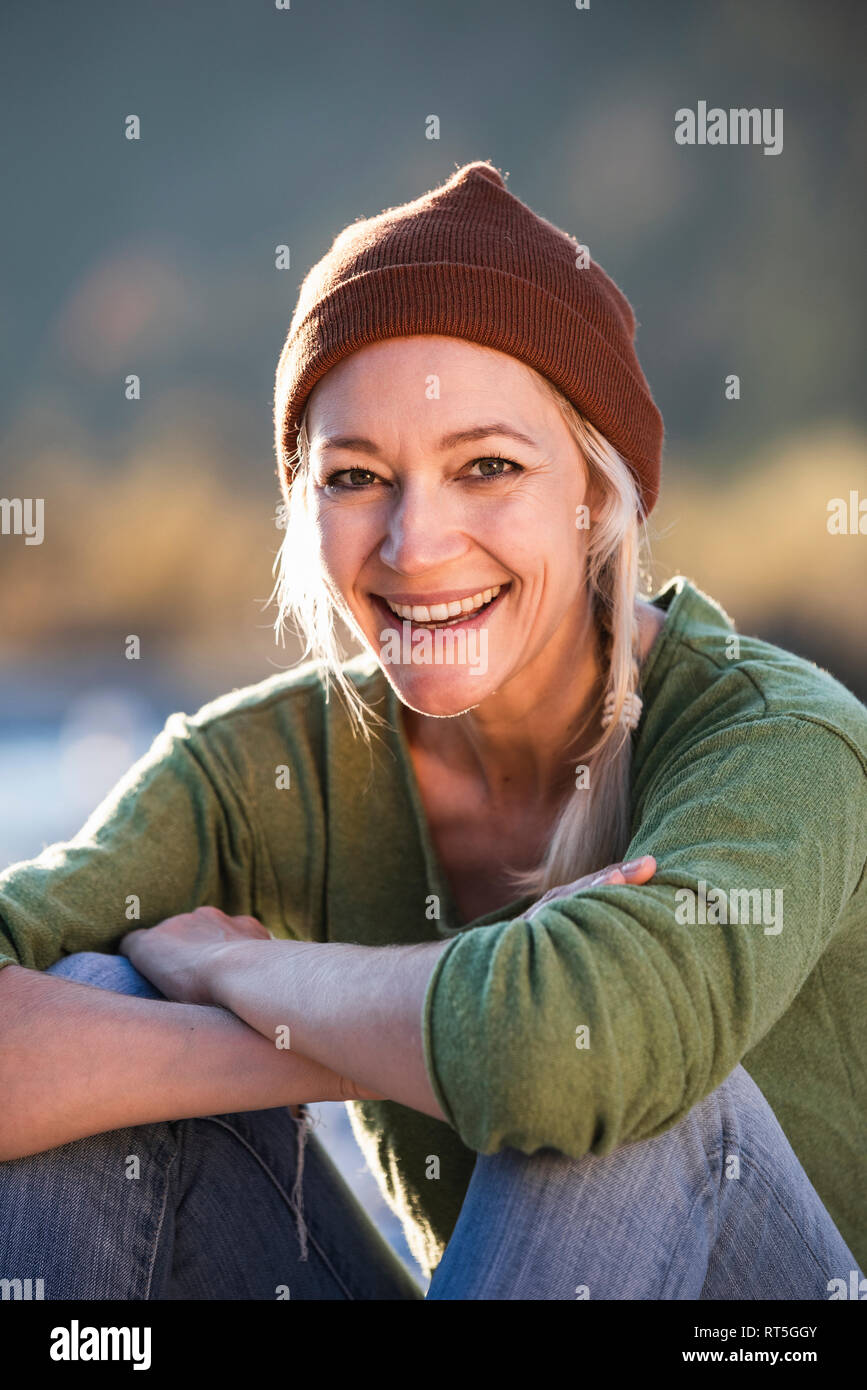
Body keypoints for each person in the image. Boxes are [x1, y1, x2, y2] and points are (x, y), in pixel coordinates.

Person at [0, 161, 864, 1301]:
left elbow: (571, 1053)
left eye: (488, 466)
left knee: (620, 1079)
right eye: (357, 477)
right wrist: (277, 1034)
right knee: (105, 996)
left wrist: (233, 969)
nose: (415, 544)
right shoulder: (259, 769)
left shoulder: (781, 742)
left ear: (598, 494)